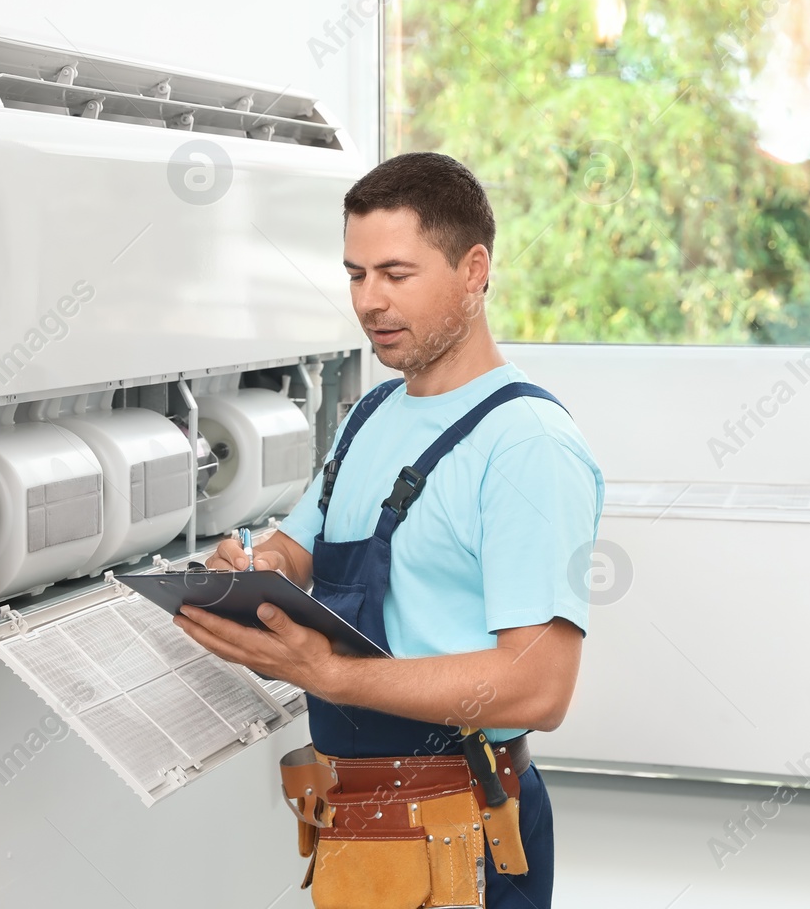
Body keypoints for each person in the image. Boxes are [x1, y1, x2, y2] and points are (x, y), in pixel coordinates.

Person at [172, 151, 604, 909]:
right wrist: (254, 569)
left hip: (464, 836)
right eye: (355, 274)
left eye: (397, 274)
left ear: (474, 270)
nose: (370, 301)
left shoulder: (526, 445)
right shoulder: (370, 417)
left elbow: (539, 688)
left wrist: (331, 675)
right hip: (359, 835)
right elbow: (300, 548)